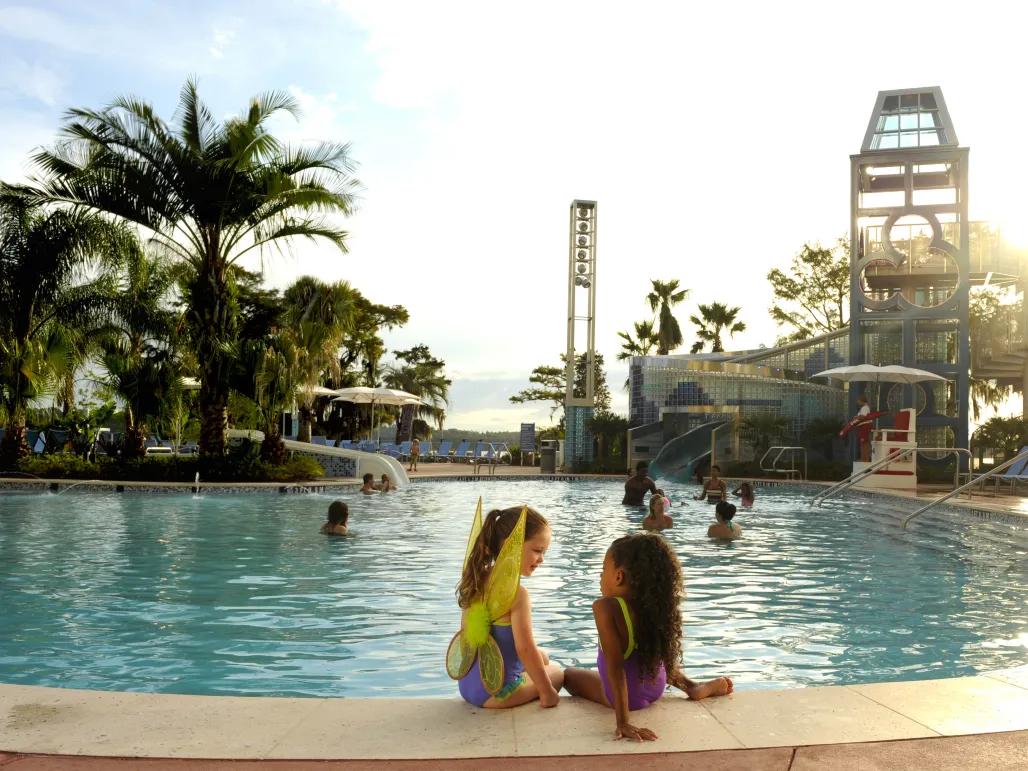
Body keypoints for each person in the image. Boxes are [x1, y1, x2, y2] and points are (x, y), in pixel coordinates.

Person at [564, 533, 733, 741]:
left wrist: (623, 722)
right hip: (656, 687)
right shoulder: (653, 607)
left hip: (629, 699)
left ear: (619, 576)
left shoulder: (605, 607)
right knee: (648, 654)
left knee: (569, 676)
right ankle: (691, 686)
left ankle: (682, 689)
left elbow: (615, 667)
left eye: (603, 569)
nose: (600, 576)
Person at [448, 504, 564, 709]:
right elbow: (525, 649)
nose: (541, 559)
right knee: (556, 671)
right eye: (538, 550)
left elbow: (467, 637)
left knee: (543, 657)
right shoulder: (518, 595)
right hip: (497, 694)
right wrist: (547, 693)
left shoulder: (475, 579)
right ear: (512, 545)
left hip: (467, 688)